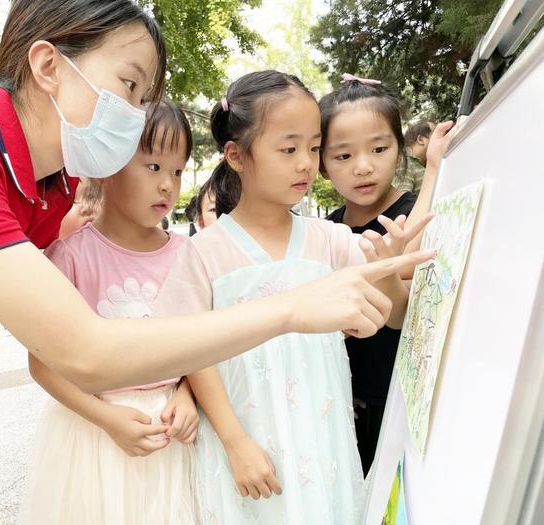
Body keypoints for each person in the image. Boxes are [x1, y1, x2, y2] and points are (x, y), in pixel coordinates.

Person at [0, 1, 435, 523]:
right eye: (129, 86)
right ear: (49, 65)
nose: (135, 113)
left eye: (144, 96)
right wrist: (290, 308)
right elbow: (82, 353)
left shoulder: (46, 186)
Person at [155, 70, 435, 524]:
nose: (306, 163)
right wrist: (235, 442)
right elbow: (190, 352)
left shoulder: (332, 240)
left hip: (324, 445)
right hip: (244, 443)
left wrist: (386, 275)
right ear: (236, 155)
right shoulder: (203, 253)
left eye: (312, 147)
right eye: (288, 149)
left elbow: (389, 319)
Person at [20, 100, 199, 524]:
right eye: (153, 167)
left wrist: (188, 395)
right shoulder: (71, 257)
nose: (168, 185)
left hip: (171, 433)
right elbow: (43, 365)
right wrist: (106, 419)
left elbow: (200, 345)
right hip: (94, 430)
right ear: (106, 166)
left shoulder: (188, 254)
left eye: (177, 170)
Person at [320, 77, 445, 474]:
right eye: (343, 156)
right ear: (321, 164)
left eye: (379, 148)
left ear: (401, 151)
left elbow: (409, 257)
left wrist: (434, 174)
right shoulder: (329, 229)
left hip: (400, 399)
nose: (363, 166)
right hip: (344, 398)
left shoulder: (414, 209)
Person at [394, 119, 435, 194]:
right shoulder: (404, 162)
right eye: (435, 134)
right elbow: (403, 202)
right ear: (420, 140)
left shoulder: (419, 163)